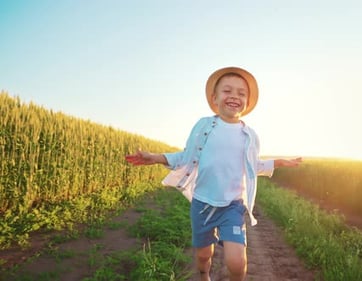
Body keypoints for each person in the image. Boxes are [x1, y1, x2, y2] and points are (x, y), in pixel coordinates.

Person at [125, 66, 301, 281]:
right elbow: (186, 157)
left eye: (241, 93)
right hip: (202, 204)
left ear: (247, 102)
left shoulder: (250, 135)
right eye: (227, 91)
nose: (234, 96)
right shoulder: (204, 126)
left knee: (237, 263)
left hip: (232, 206)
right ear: (214, 98)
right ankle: (204, 275)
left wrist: (278, 162)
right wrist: (156, 157)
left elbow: (252, 165)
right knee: (203, 255)